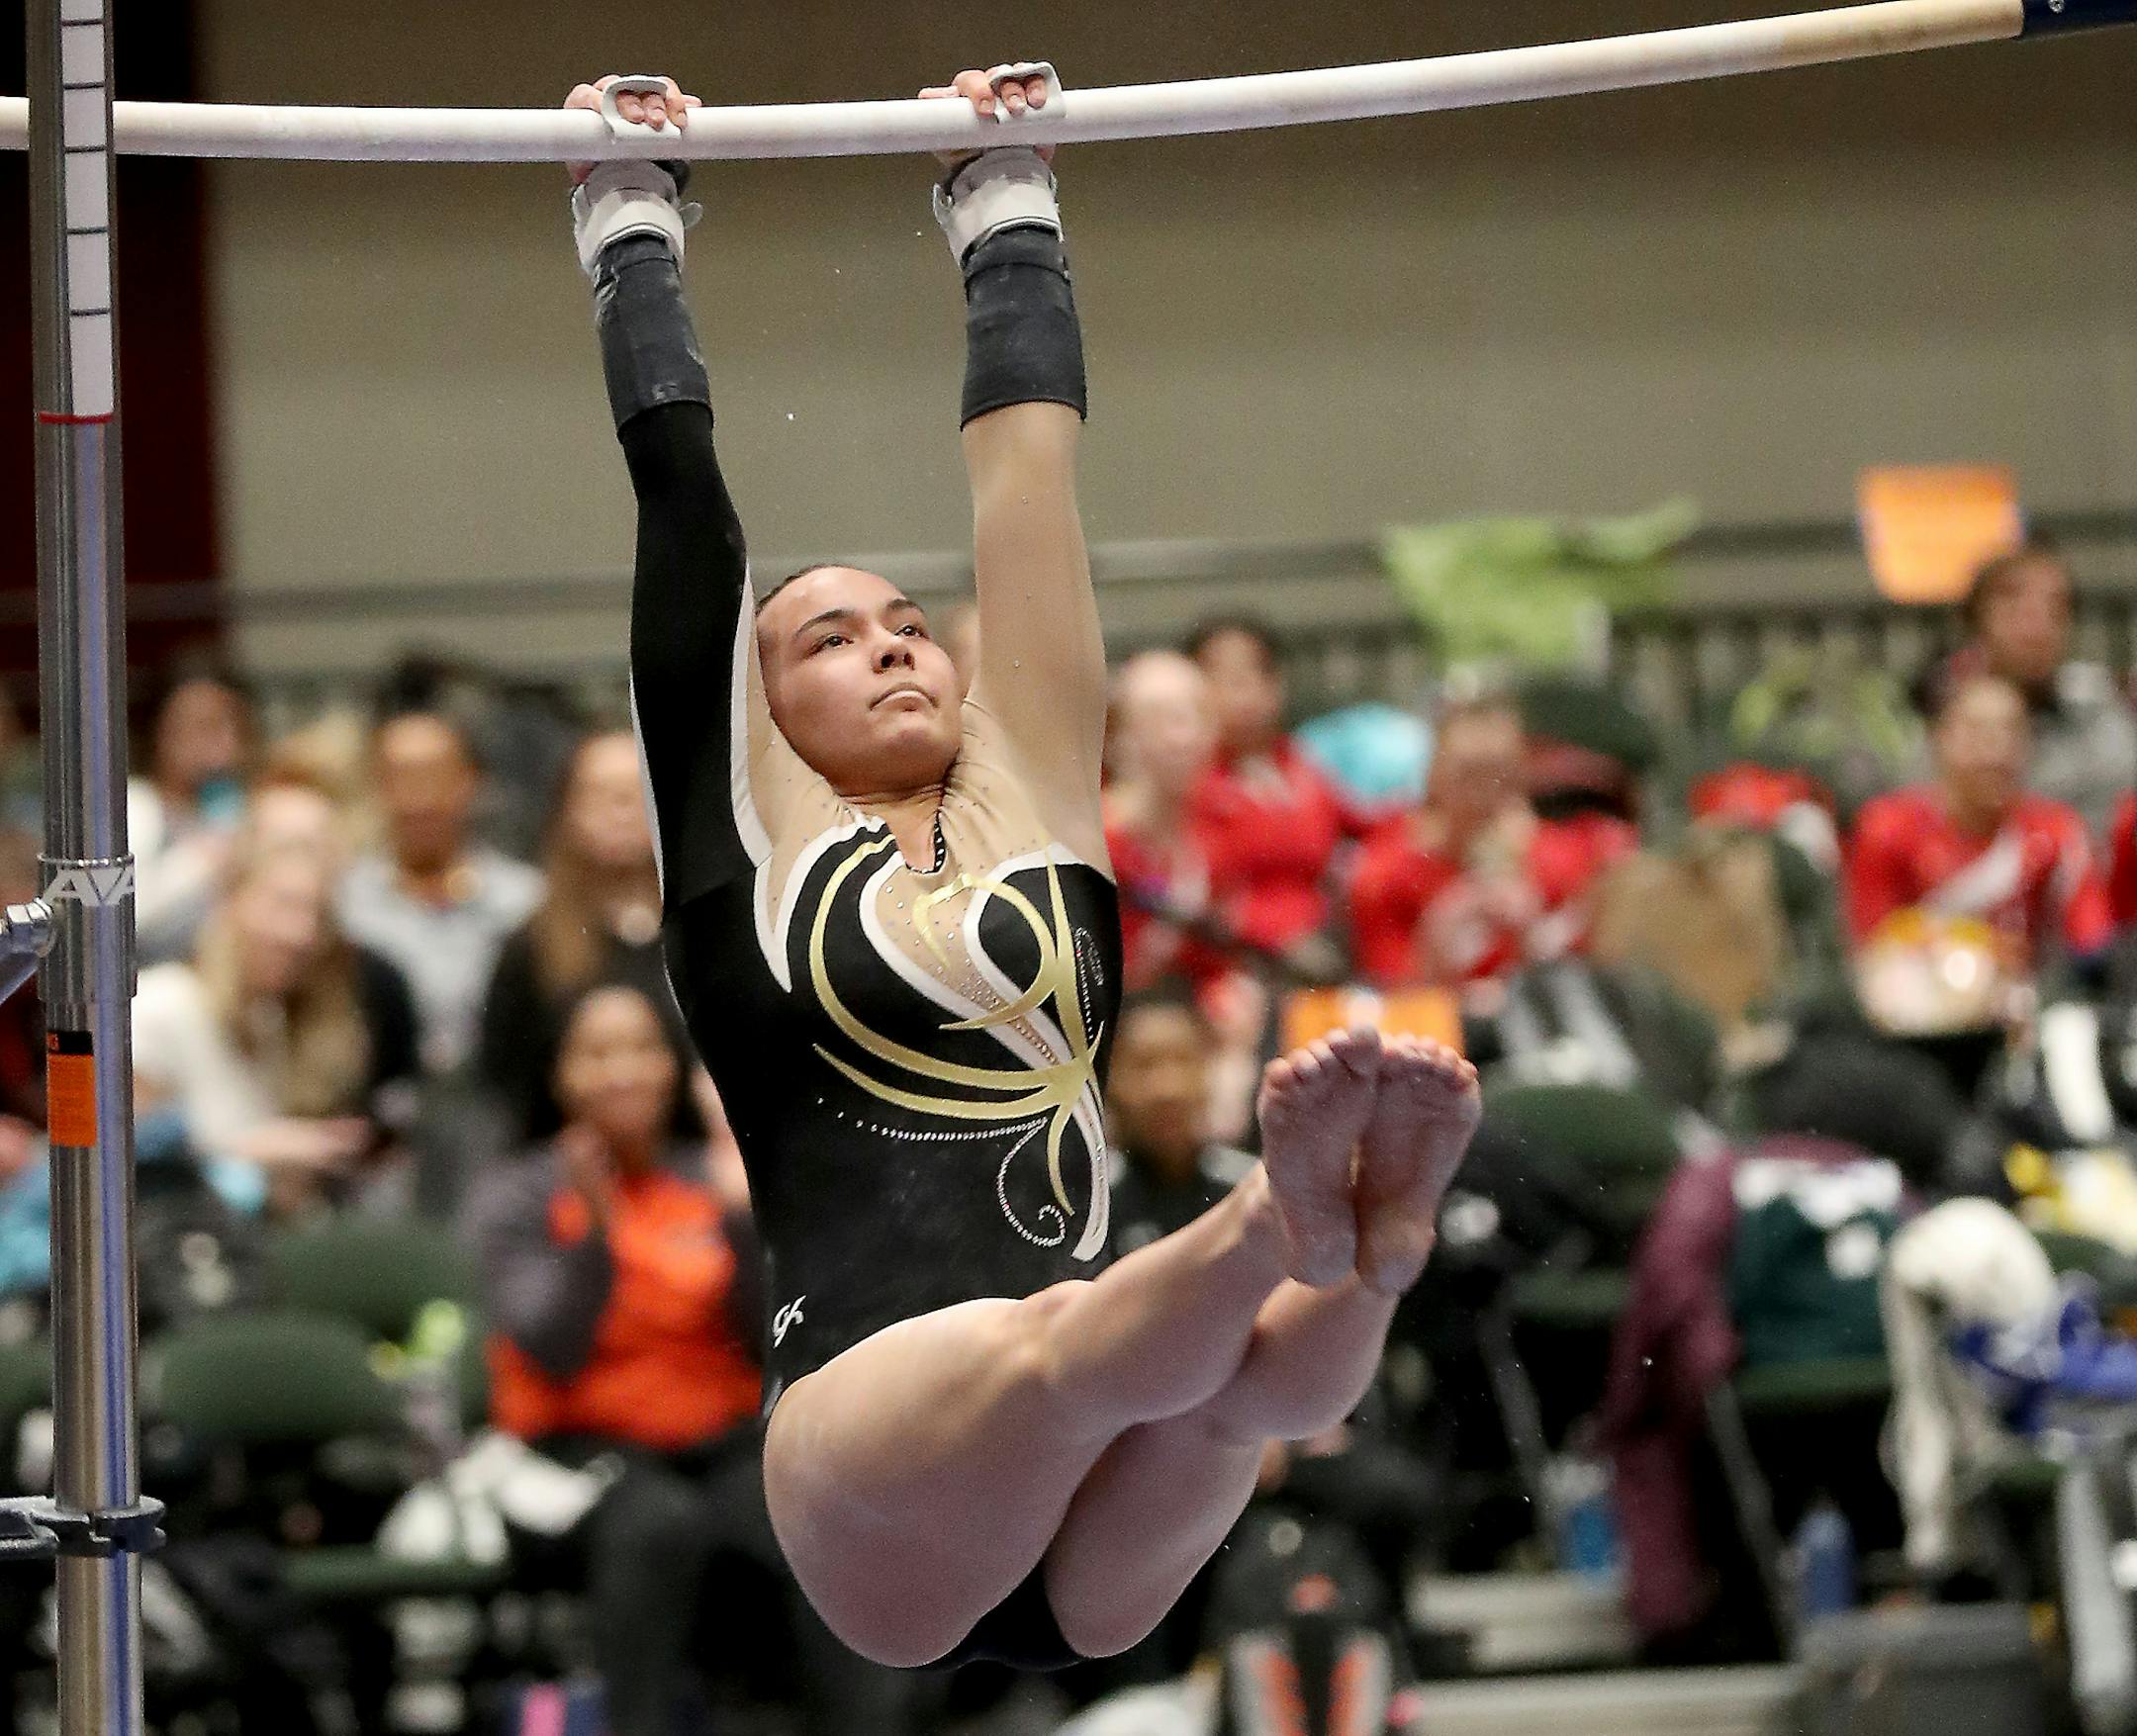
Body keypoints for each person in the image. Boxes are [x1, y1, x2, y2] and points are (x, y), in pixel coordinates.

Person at [560, 65, 1478, 1673]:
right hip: (878, 1467)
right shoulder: (746, 851)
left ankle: (1362, 1249)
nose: (895, 649)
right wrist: (630, 225)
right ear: (763, 712)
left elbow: (1028, 494)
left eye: (909, 626)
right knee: (1082, 1348)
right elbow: (691, 524)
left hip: (1114, 1483)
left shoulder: (1037, 803)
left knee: (1245, 1388)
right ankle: (1294, 1219)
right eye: (830, 640)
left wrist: (1007, 206)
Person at [468, 979, 912, 1735]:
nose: (623, 1071)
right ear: (558, 1073)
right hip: (576, 1455)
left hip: (716, 1443)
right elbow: (550, 1349)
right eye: (597, 1052)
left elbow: (769, 1340)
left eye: (642, 1048)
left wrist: (744, 1219)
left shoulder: (707, 1175)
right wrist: (597, 1238)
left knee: (826, 1516)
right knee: (660, 1526)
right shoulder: (518, 1192)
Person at [133, 838, 416, 1218]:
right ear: (228, 902)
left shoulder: (269, 1020)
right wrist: (263, 1151)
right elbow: (125, 1158)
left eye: (316, 915)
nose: (301, 934)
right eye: (284, 905)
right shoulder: (158, 1005)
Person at [1347, 691, 1635, 991]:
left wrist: (1537, 931)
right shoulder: (1389, 867)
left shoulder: (1558, 858)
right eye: (1468, 776)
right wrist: (1441, 931)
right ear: (1434, 776)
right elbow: (1388, 992)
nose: (1483, 795)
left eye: (1499, 776)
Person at [476, 728, 677, 1143]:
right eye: (601, 794)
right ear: (567, 811)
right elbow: (505, 1090)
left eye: (637, 791)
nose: (621, 809)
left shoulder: (713, 934)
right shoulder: (530, 949)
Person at [1846, 670, 2112, 982]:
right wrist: (1977, 945)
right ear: (1938, 738)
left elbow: (2092, 939)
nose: (1995, 752)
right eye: (1977, 733)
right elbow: (1873, 947)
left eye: (2011, 733)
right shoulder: (1888, 829)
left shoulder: (2058, 831)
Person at [339, 709, 542, 1075]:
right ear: (376, 788)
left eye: (435, 776)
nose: (419, 798)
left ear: (470, 782)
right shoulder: (343, 906)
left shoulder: (527, 902)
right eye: (401, 778)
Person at [1927, 540, 2137, 839]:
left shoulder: (2105, 723)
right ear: (1976, 619)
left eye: (2055, 607)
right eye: (2014, 603)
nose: (2037, 624)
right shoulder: (1946, 726)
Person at [1104, 653, 1237, 999]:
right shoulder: (1091, 843)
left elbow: (1214, 963)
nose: (1186, 737)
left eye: (1199, 717)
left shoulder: (1219, 837)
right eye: (1164, 720)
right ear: (1121, 738)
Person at [129, 654, 255, 965]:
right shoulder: (137, 806)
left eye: (232, 725)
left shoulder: (243, 808)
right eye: (204, 727)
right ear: (161, 733)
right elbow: (123, 921)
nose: (222, 742)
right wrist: (199, 861)